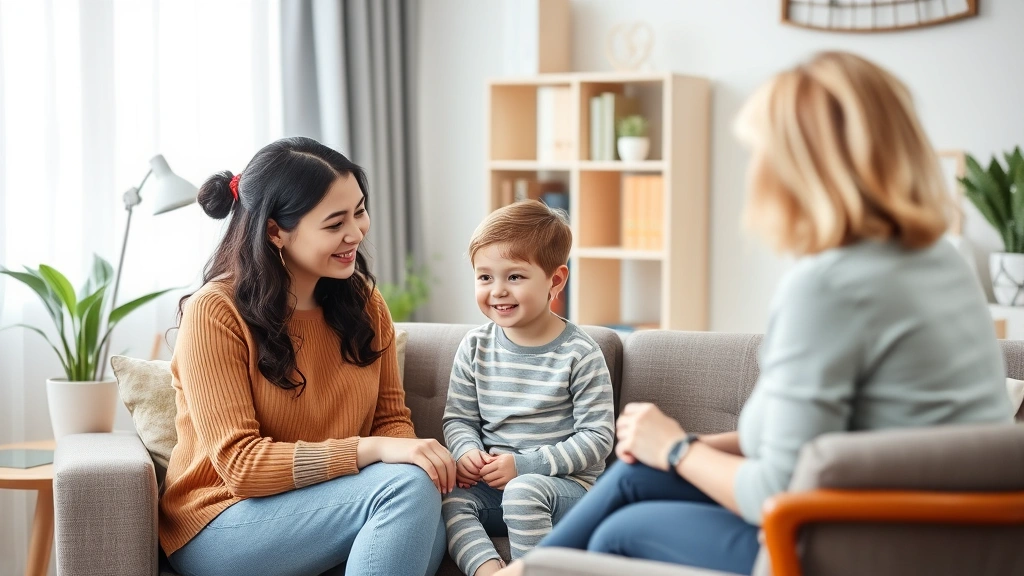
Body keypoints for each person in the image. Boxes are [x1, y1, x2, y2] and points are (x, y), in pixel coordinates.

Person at [498, 51, 1015, 576]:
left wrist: (675, 449)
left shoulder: (829, 285)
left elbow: (776, 490)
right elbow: (850, 434)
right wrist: (682, 448)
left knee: (621, 532)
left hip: (855, 540)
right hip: (947, 533)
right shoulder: (941, 260)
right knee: (633, 478)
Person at [161, 137, 455, 576]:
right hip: (222, 521)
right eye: (335, 222)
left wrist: (407, 452)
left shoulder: (365, 305)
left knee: (428, 506)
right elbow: (241, 466)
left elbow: (390, 420)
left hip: (329, 510)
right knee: (409, 493)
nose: (356, 232)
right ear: (276, 230)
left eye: (359, 211)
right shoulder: (216, 313)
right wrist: (370, 451)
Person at [442, 201, 615, 576]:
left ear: (555, 281)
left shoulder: (580, 353)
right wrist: (467, 450)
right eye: (485, 277)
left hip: (565, 490)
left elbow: (597, 437)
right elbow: (459, 419)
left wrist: (525, 466)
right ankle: (490, 571)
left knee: (524, 491)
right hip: (492, 485)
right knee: (447, 500)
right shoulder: (475, 347)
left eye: (515, 277)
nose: (498, 291)